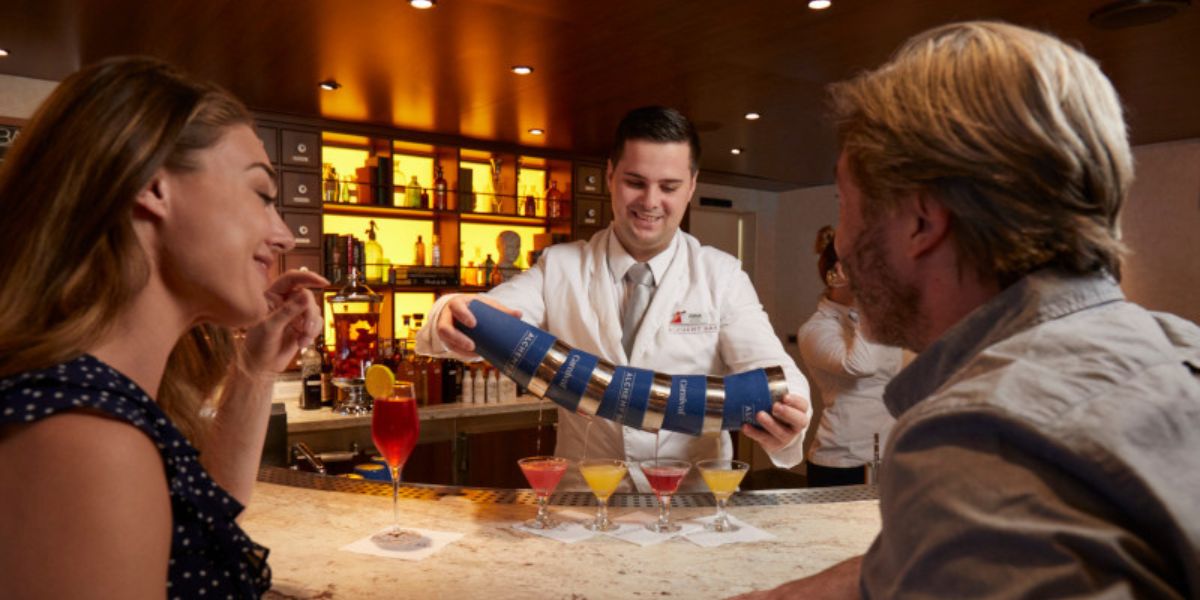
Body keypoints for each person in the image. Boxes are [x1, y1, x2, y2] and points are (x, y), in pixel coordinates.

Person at [736, 21, 1200, 599]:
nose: (843, 246)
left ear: (921, 222)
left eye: (845, 205)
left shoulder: (982, 444)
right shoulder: (1179, 348)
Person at [0, 57, 326, 598]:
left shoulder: (92, 403)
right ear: (152, 185)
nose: (284, 235)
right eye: (262, 195)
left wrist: (256, 367)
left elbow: (197, 530)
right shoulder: (85, 440)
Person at [418, 106, 811, 492]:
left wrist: (791, 414)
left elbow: (775, 371)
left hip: (691, 504)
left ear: (692, 186)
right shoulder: (560, 266)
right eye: (635, 182)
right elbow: (487, 312)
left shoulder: (721, 275)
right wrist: (450, 312)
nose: (650, 201)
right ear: (610, 175)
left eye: (669, 187)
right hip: (583, 500)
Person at [796, 226, 902, 487]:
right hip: (842, 460)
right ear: (837, 273)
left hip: (889, 454)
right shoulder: (816, 329)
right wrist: (865, 297)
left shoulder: (881, 318)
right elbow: (861, 365)